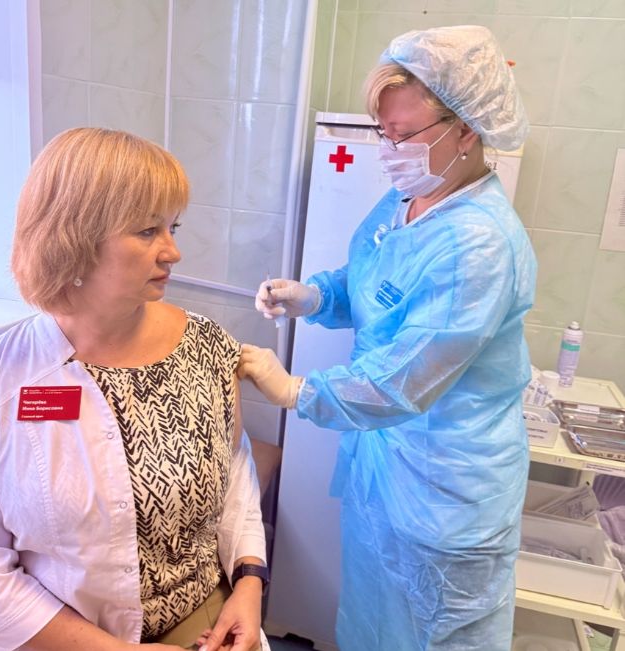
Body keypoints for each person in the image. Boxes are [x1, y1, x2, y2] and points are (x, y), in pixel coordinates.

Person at [238, 25, 537, 651]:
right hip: (386, 464)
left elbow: (405, 378)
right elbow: (376, 282)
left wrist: (294, 390)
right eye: (383, 132)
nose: (388, 151)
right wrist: (317, 295)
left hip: (445, 490)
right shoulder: (409, 198)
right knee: (371, 623)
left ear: (466, 130)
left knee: (432, 634)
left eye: (403, 134)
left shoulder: (479, 245)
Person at [0, 128, 269, 651]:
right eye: (147, 231)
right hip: (57, 638)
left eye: (173, 226)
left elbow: (235, 473)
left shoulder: (207, 347)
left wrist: (249, 582)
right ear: (74, 238)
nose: (174, 252)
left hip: (203, 623)